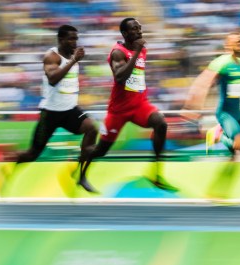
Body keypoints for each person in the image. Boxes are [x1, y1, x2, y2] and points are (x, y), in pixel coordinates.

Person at [78, 17, 171, 193]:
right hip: (118, 111)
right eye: (135, 29)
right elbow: (120, 78)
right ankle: (81, 172)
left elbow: (137, 75)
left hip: (139, 105)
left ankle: (156, 174)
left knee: (161, 123)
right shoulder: (117, 52)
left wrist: (137, 52)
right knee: (100, 150)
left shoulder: (142, 49)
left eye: (140, 27)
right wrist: (135, 53)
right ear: (125, 33)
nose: (139, 31)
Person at [16, 25, 97, 166]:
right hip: (50, 113)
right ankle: (7, 162)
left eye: (76, 39)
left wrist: (73, 59)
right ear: (60, 39)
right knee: (32, 154)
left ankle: (81, 173)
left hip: (70, 110)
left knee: (92, 129)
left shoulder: (73, 55)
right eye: (71, 39)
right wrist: (73, 61)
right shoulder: (52, 56)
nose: (74, 42)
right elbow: (53, 80)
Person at [184, 32, 240, 157]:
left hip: (237, 112)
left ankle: (225, 143)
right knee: (239, 142)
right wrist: (193, 107)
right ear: (227, 45)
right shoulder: (221, 62)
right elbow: (204, 83)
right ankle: (219, 135)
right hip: (225, 112)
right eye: (237, 42)